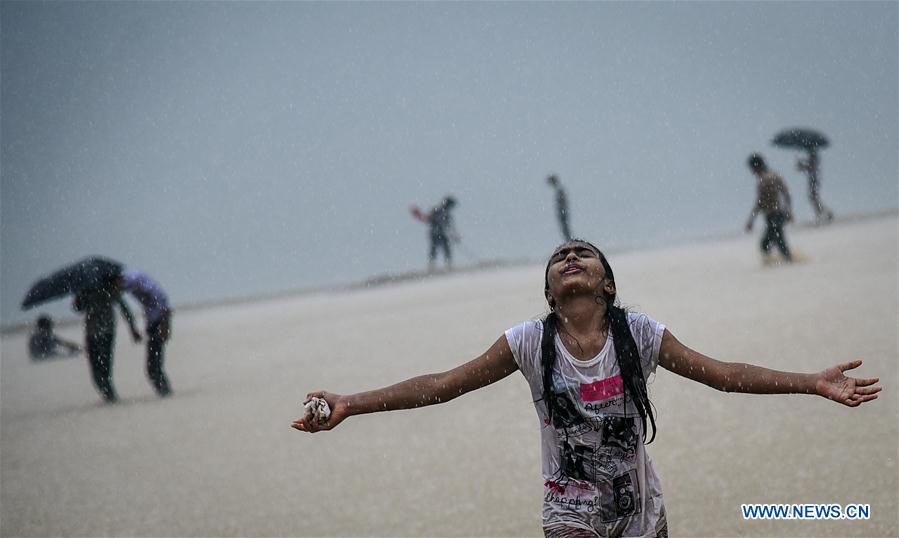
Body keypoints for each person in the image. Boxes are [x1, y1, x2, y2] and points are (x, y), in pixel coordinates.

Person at [291, 239, 879, 537]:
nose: (570, 257)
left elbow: (724, 375)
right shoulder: (527, 342)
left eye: (583, 254)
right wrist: (351, 404)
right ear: (550, 292)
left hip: (640, 509)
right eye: (560, 258)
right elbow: (442, 385)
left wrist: (810, 382)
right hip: (568, 511)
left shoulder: (640, 334)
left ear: (607, 285)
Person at [72, 280, 141, 403]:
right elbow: (78, 308)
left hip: (104, 332)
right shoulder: (85, 289)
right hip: (93, 332)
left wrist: (133, 327)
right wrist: (78, 297)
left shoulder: (109, 286)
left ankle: (110, 396)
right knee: (97, 368)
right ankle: (109, 395)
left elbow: (123, 307)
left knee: (103, 367)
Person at [117, 269, 173, 396]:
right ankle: (164, 391)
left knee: (153, 365)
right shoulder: (128, 283)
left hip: (157, 320)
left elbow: (160, 296)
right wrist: (133, 329)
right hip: (152, 320)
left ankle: (165, 392)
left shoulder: (135, 279)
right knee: (154, 364)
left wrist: (165, 324)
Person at [745, 153, 793, 264]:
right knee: (778, 243)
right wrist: (789, 211)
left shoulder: (763, 180)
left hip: (773, 216)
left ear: (756, 166)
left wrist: (751, 220)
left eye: (752, 168)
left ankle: (784, 265)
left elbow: (759, 203)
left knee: (767, 245)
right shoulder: (774, 175)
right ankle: (785, 264)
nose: (751, 171)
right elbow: (786, 194)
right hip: (779, 214)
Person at [796, 150, 834, 224]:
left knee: (813, 197)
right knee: (813, 197)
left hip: (814, 180)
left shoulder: (814, 157)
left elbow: (810, 167)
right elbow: (808, 167)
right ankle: (822, 213)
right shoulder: (813, 157)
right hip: (813, 180)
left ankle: (822, 213)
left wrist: (802, 165)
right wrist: (801, 165)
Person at [426, 195, 459, 271]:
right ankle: (432, 267)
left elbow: (450, 225)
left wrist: (454, 235)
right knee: (434, 250)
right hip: (435, 233)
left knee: (445, 249)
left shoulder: (446, 213)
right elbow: (429, 219)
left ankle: (448, 266)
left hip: (442, 234)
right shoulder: (437, 210)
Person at [547, 174, 572, 241]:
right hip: (562, 213)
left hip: (563, 214)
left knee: (565, 230)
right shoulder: (559, 190)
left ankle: (569, 242)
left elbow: (563, 202)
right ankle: (568, 241)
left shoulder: (559, 190)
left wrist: (562, 211)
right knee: (565, 230)